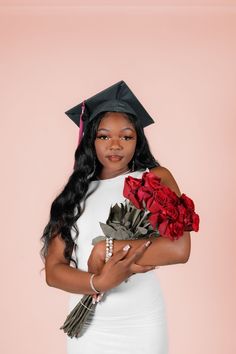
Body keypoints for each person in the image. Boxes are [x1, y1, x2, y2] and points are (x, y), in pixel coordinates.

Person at [41, 81, 191, 354]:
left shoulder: (154, 179)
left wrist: (105, 248)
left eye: (126, 136)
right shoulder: (75, 193)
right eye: (103, 136)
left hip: (141, 321)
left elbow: (178, 248)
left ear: (138, 140)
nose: (115, 145)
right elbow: (54, 271)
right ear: (90, 140)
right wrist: (99, 282)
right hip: (88, 326)